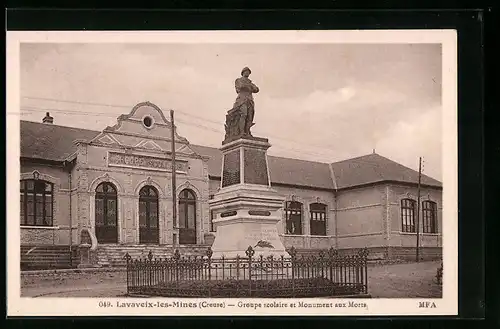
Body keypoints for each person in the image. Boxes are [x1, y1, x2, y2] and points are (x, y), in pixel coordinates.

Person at [233, 67, 259, 136]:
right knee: (243, 114)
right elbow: (240, 87)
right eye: (246, 71)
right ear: (243, 72)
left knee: (250, 117)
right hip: (241, 100)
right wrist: (249, 86)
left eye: (248, 72)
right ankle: (242, 132)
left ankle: (247, 132)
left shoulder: (250, 82)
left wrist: (249, 86)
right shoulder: (238, 80)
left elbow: (256, 89)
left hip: (250, 100)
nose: (247, 73)